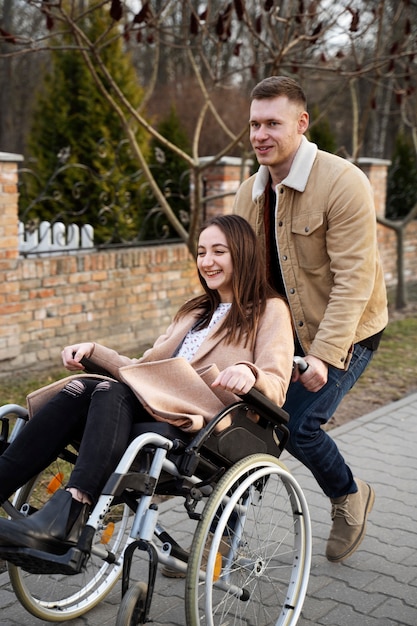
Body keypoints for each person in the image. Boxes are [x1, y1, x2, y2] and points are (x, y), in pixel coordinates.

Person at [0, 214, 294, 559]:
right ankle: (29, 499)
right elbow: (143, 370)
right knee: (80, 388)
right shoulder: (195, 311)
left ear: (242, 255)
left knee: (110, 391)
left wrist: (249, 373)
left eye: (219, 251)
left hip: (203, 421)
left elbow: (276, 383)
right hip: (152, 400)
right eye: (201, 252)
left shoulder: (268, 310)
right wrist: (93, 352)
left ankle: (71, 510)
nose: (207, 262)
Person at [233, 76, 388, 563]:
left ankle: (348, 495)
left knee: (297, 426)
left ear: (301, 124)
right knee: (244, 427)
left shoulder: (342, 182)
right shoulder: (248, 195)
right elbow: (243, 283)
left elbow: (354, 282)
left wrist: (322, 356)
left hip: (347, 330)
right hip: (283, 334)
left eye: (272, 123)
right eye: (255, 124)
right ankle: (222, 536)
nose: (261, 134)